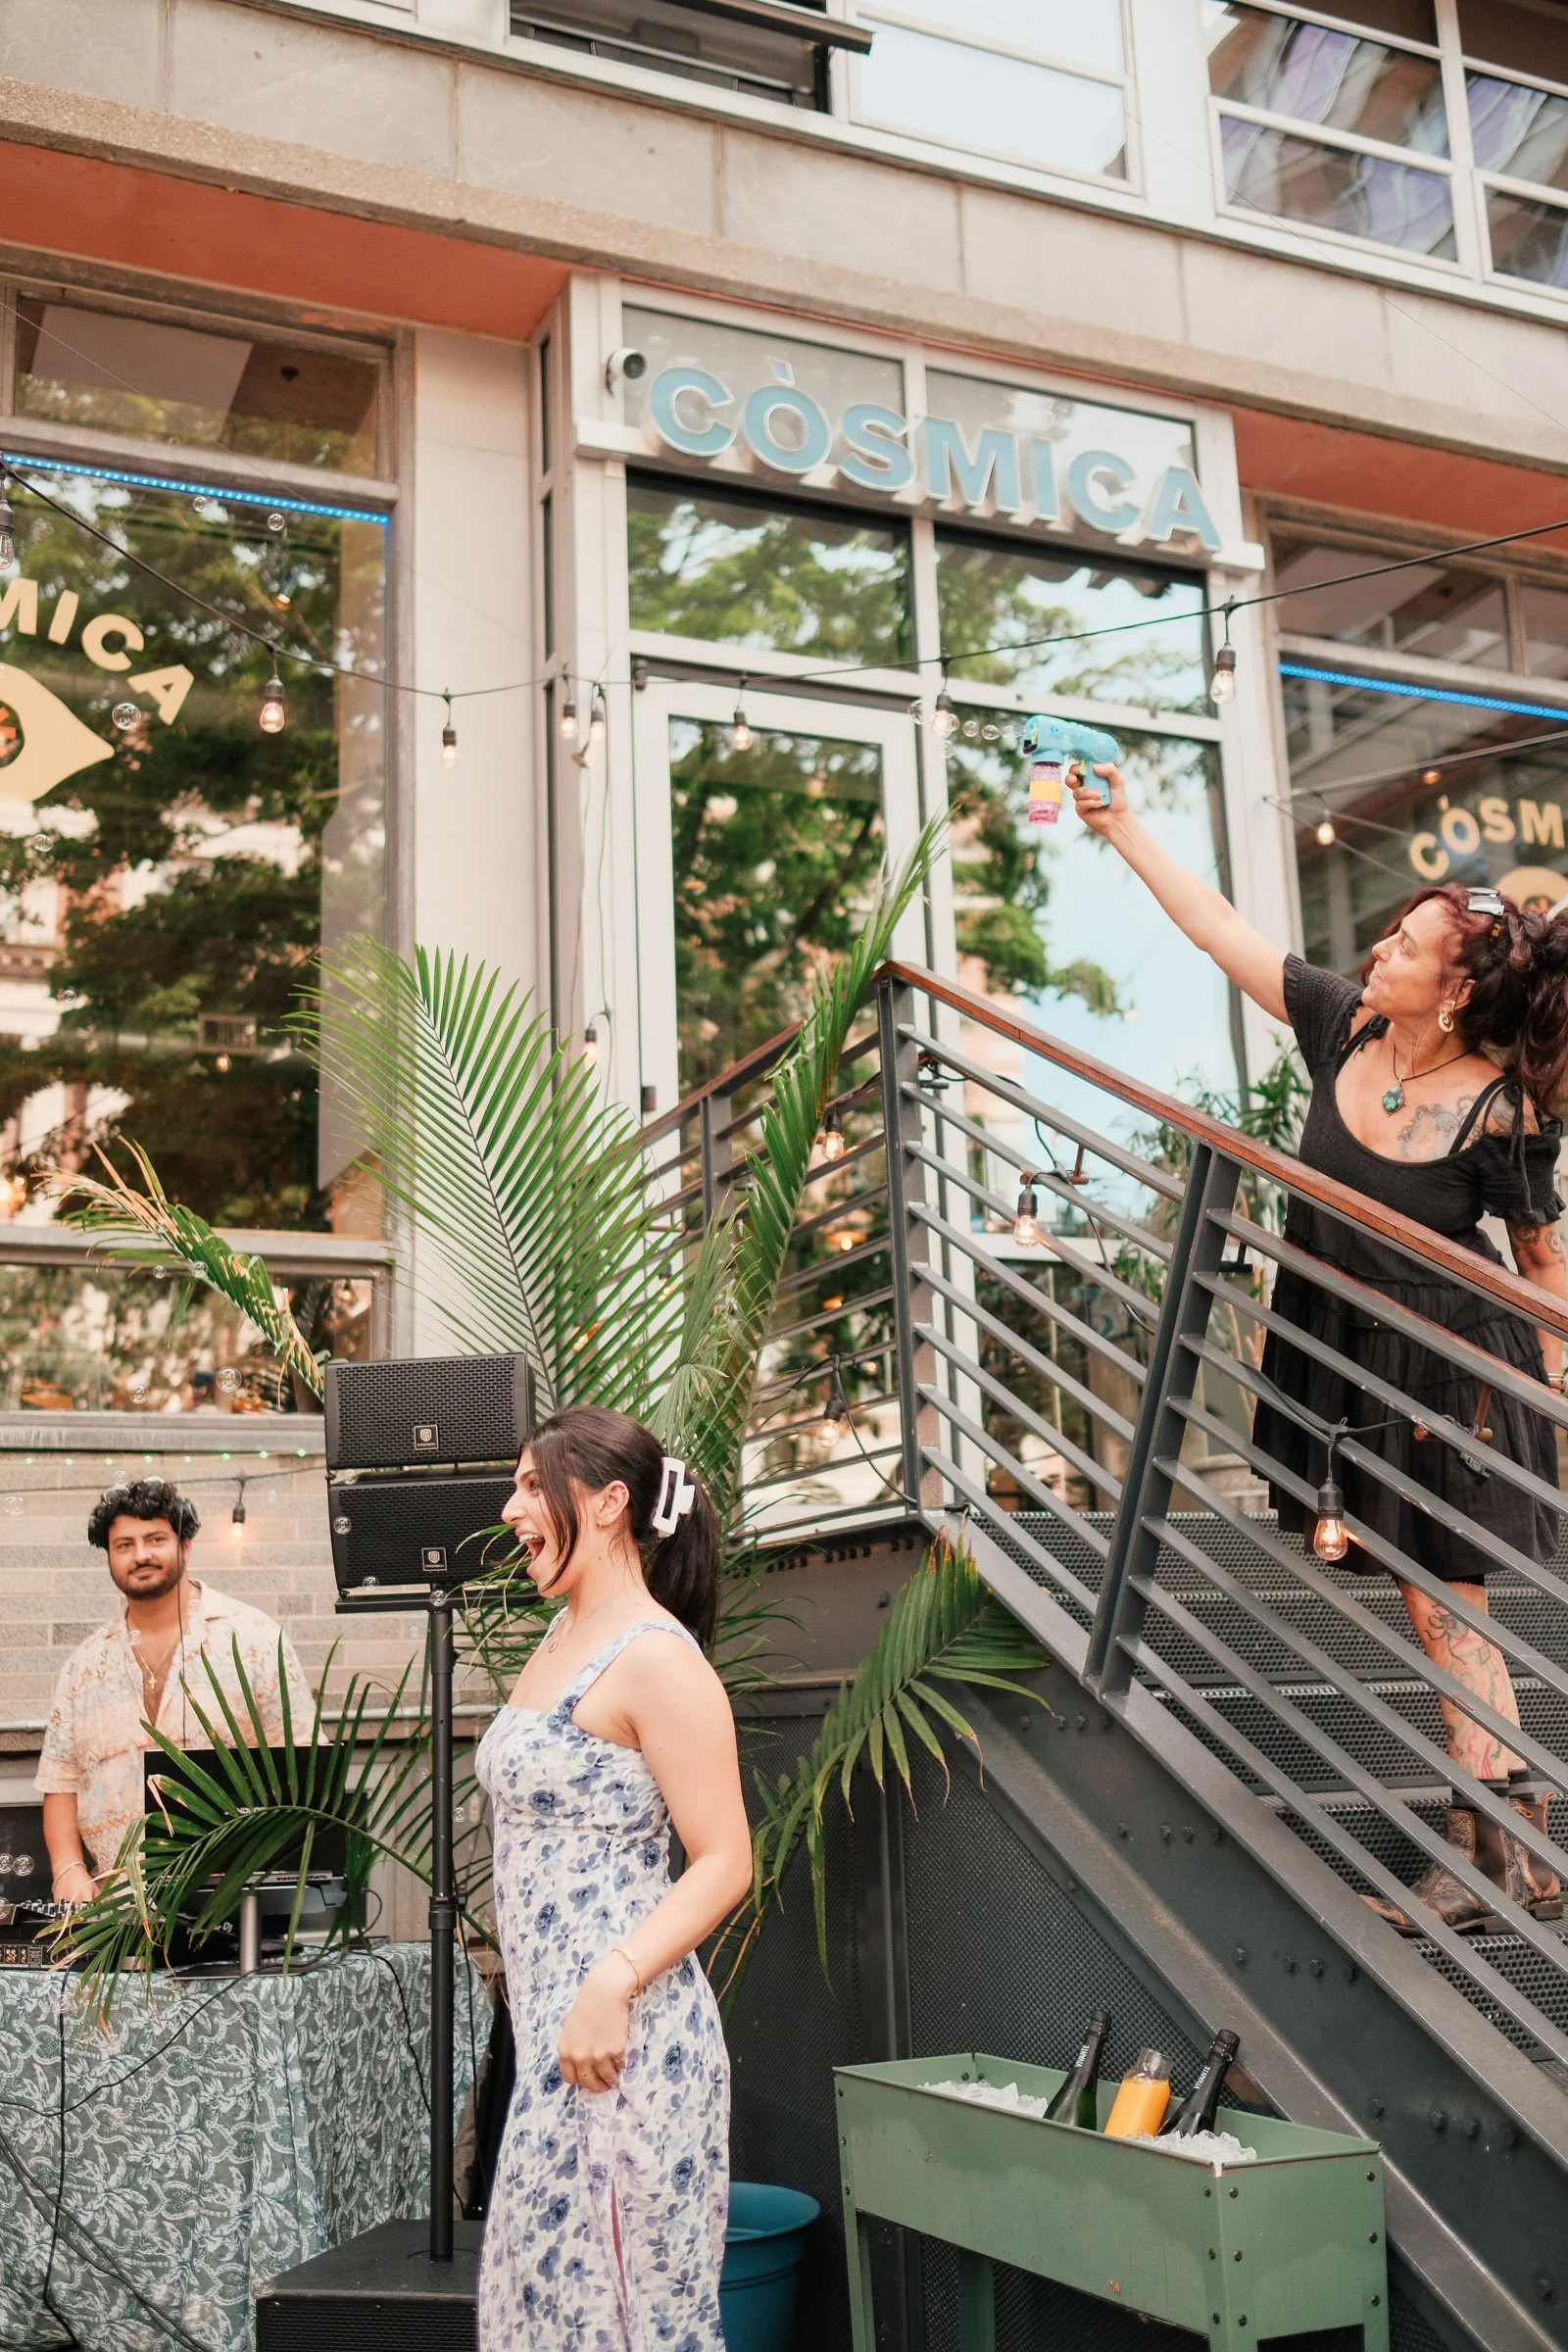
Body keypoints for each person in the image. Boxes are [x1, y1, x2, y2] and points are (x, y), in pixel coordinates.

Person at [1068, 762, 1566, 1935]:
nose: (1379, 949)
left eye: (1407, 946)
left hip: (1448, 1367)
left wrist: (1553, 1390)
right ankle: (1516, 1852)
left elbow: (1541, 1268)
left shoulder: (1500, 1111)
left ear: (1454, 991)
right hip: (1345, 1348)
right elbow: (1216, 929)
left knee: (1443, 1600)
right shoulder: (1342, 1026)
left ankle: (1490, 1857)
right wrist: (1122, 823)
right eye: (1390, 933)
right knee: (1434, 1600)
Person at [477, 1404, 752, 2352]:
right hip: (558, 2044)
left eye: (530, 1484)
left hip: (626, 2044)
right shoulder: (561, 1636)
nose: (511, 1508)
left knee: (630, 2327)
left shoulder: (658, 1659)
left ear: (607, 1503)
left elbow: (726, 1858)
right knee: (550, 2319)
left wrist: (611, 1981)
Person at [36, 1478, 314, 1902]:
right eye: (124, 1545)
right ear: (109, 1556)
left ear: (185, 1545)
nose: (141, 1555)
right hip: (113, 1912)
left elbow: (302, 1762)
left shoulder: (255, 1639)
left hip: (233, 1900)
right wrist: (67, 1871)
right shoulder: (84, 1665)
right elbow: (61, 1781)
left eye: (155, 1539)